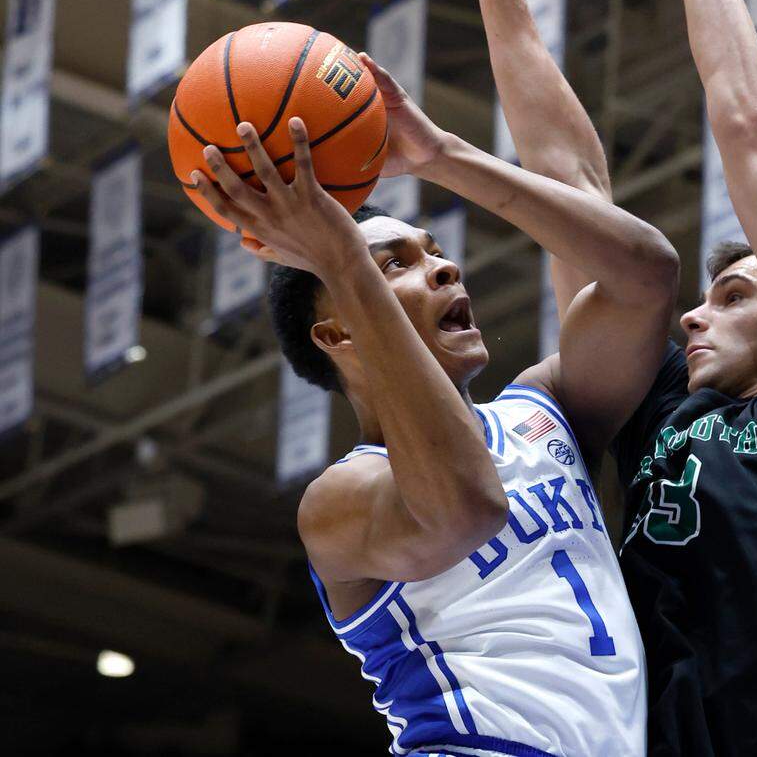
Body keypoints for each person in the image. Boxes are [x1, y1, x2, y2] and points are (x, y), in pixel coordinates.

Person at [191, 55, 678, 756]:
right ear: (337, 335)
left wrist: (441, 156)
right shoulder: (340, 501)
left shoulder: (545, 409)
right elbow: (467, 507)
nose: (445, 268)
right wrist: (342, 262)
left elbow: (646, 275)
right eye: (398, 265)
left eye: (435, 252)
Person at [478, 0, 757, 754]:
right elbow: (567, 185)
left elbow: (750, 123)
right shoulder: (666, 410)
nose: (690, 316)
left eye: (733, 296)